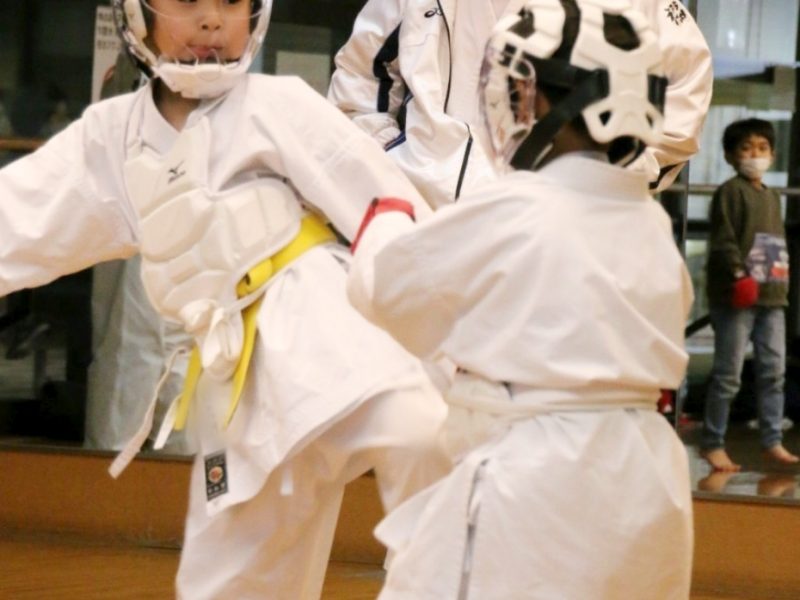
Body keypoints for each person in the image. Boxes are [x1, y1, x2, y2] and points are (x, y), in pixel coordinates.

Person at [0, 1, 451, 598]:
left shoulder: (279, 105)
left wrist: (441, 333)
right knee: (227, 588)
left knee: (427, 439)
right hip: (235, 396)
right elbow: (15, 219)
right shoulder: (110, 140)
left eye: (231, 3)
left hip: (332, 344)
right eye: (188, 1)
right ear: (139, 13)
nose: (212, 22)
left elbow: (384, 209)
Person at [347, 1, 695, 597]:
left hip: (534, 471)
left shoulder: (515, 207)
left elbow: (388, 293)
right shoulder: (651, 226)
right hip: (653, 478)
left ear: (540, 103)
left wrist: (384, 218)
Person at [328, 0, 713, 209]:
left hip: (559, 223)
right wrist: (390, 163)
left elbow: (684, 89)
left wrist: (601, 176)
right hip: (424, 206)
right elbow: (361, 76)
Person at [702, 118, 799, 472]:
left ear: (772, 154)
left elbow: (774, 244)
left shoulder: (771, 196)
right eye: (746, 148)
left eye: (762, 148)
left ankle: (772, 440)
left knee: (774, 371)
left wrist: (780, 286)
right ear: (729, 155)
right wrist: (738, 275)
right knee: (728, 374)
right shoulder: (730, 192)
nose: (754, 155)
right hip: (737, 298)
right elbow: (724, 240)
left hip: (772, 298)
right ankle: (712, 443)